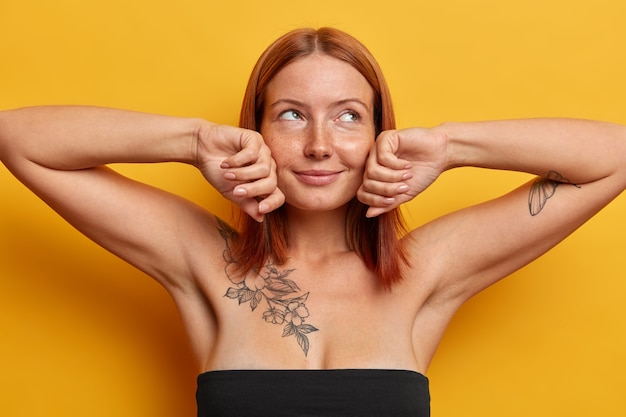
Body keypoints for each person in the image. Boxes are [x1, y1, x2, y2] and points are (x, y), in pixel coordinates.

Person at [0, 27, 625, 416]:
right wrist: (192, 140)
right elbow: (19, 137)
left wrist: (450, 146)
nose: (321, 145)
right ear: (258, 131)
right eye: (292, 116)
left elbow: (613, 157)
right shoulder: (204, 259)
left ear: (381, 131)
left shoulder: (426, 268)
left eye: (350, 115)